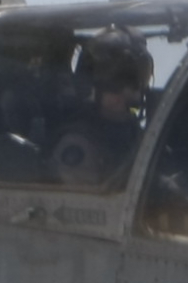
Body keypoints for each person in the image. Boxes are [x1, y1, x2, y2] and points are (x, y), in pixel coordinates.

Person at [46, 27, 158, 187]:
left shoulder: (138, 135)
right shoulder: (78, 144)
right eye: (114, 85)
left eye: (133, 84)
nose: (125, 94)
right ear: (89, 87)